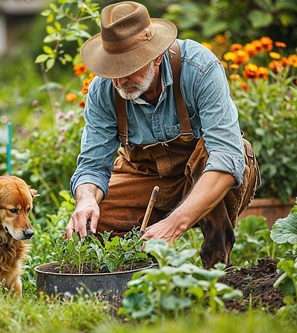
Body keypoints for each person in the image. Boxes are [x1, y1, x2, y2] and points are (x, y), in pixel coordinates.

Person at [66, 1, 260, 268]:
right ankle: (138, 272)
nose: (120, 81)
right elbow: (92, 166)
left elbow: (227, 158)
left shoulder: (198, 69)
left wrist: (173, 224)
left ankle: (216, 268)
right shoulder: (103, 91)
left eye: (128, 69)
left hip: (202, 175)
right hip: (145, 178)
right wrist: (87, 199)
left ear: (156, 57)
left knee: (223, 155)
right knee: (93, 223)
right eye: (113, 71)